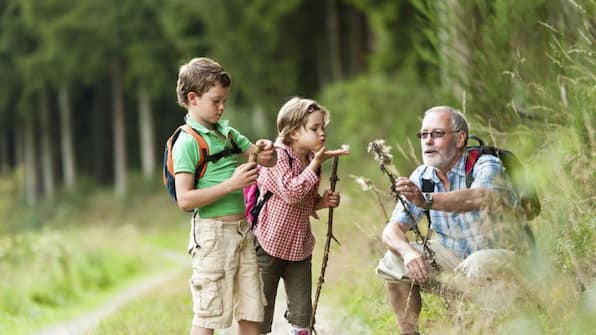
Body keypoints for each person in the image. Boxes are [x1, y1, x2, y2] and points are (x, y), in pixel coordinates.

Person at [376, 106, 523, 335]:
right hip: (456, 262)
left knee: (477, 265)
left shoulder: (485, 163)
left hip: (506, 261)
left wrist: (426, 200)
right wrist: (408, 254)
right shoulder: (422, 175)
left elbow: (479, 197)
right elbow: (391, 231)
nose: (428, 142)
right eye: (424, 135)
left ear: (460, 138)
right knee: (392, 261)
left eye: (437, 134)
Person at [173, 57, 276, 335]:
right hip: (212, 234)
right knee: (209, 314)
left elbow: (264, 158)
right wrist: (231, 185)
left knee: (252, 311)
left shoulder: (226, 133)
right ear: (193, 98)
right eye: (216, 100)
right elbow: (185, 200)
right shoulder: (187, 142)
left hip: (242, 232)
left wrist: (266, 149)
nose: (222, 107)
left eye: (224, 101)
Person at [253, 97, 350, 335]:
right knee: (259, 313)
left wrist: (322, 202)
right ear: (294, 133)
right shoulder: (276, 157)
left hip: (298, 247)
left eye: (323, 128)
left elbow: (303, 203)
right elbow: (291, 192)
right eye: (315, 128)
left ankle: (301, 329)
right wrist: (317, 161)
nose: (322, 134)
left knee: (303, 315)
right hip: (269, 245)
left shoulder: (309, 160)